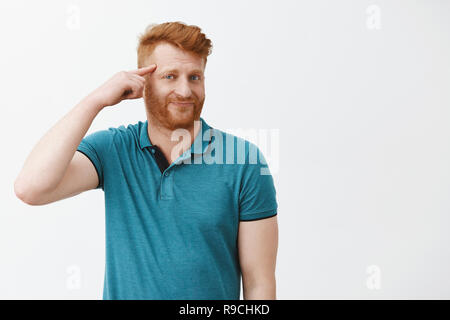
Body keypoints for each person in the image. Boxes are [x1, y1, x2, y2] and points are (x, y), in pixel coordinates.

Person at [14, 21, 278, 300]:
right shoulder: (114, 149)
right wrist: (96, 100)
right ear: (144, 83)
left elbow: (259, 283)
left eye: (194, 77)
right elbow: (31, 188)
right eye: (170, 76)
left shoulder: (244, 161)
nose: (185, 91)